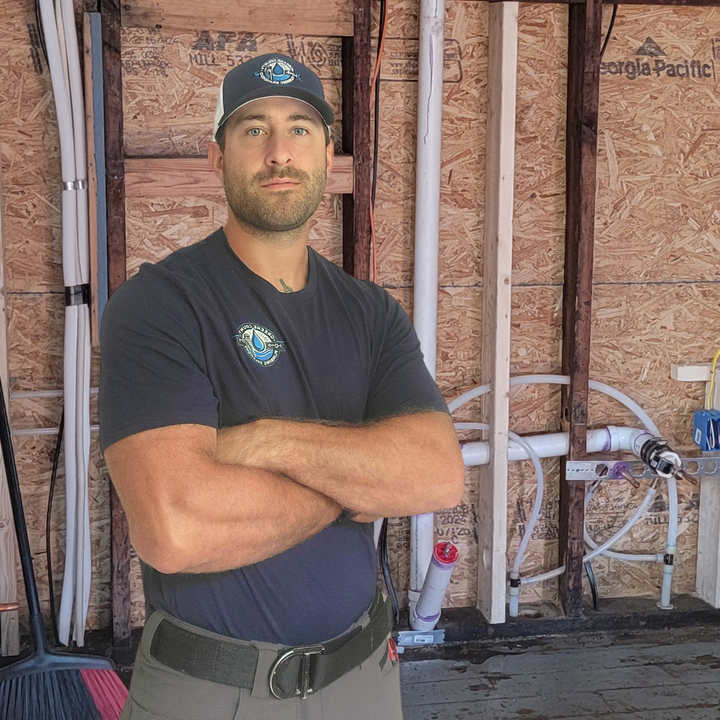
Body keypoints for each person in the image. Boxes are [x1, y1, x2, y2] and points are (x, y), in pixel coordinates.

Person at [99, 52, 465, 720]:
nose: (278, 152)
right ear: (217, 158)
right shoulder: (158, 306)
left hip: (364, 682)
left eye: (299, 129)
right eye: (252, 130)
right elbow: (176, 528)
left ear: (328, 154)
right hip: (211, 691)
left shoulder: (370, 313)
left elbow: (436, 475)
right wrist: (354, 487)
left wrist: (262, 442)